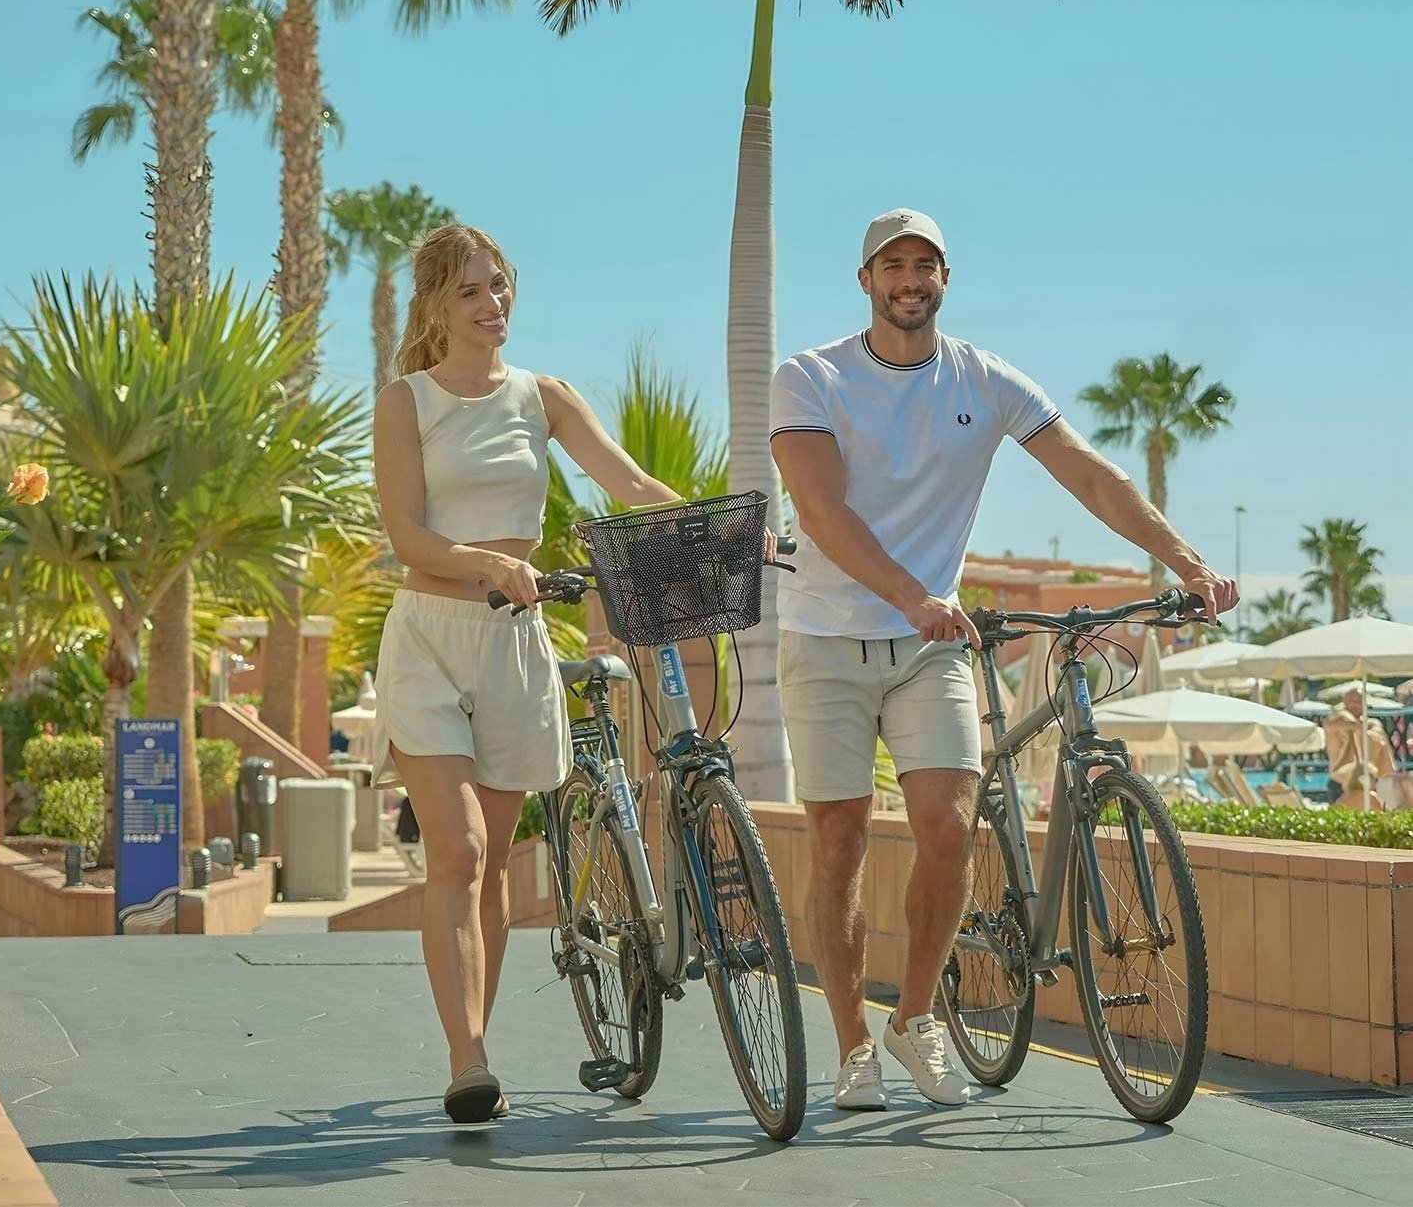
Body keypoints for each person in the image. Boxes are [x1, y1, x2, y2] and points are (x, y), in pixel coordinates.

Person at [769, 207, 1238, 1112]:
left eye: (926, 265)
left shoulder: (981, 378)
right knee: (839, 841)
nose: (910, 279)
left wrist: (1188, 563)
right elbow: (822, 511)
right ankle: (851, 1041)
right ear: (864, 280)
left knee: (948, 820)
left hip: (928, 645)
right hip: (827, 636)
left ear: (944, 279)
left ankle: (913, 1019)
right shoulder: (811, 377)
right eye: (892, 264)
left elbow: (1091, 473)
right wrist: (912, 593)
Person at [372, 222, 690, 1125]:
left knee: (500, 864)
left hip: (517, 647)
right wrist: (490, 565)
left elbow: (630, 485)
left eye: (501, 286)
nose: (492, 304)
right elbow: (408, 538)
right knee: (460, 850)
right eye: (472, 290)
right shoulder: (407, 403)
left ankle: (476, 1043)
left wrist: (734, 523)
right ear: (438, 302)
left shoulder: (539, 396)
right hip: (433, 637)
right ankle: (465, 1055)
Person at [1324, 687, 1395, 808]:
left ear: (1364, 704)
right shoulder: (1337, 720)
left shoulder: (1372, 724)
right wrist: (1353, 726)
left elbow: (1378, 735)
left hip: (1367, 782)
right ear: (1345, 702)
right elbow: (1330, 725)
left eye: (1358, 700)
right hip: (1341, 781)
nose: (1354, 704)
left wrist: (1359, 728)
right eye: (1351, 700)